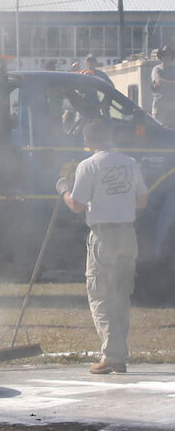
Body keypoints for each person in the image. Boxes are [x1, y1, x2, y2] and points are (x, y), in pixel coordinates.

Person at [58, 119, 147, 375]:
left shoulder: (88, 165)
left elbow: (76, 204)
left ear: (87, 141)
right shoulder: (130, 163)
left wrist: (64, 189)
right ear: (110, 136)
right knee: (121, 295)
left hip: (103, 236)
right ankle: (118, 352)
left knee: (100, 295)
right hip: (128, 234)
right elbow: (142, 201)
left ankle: (112, 355)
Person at [151, 46, 175, 127]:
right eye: (164, 55)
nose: (166, 57)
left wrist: (167, 83)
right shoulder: (157, 69)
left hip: (172, 106)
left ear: (172, 56)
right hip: (160, 106)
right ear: (161, 56)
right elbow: (158, 82)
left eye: (168, 55)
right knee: (158, 129)